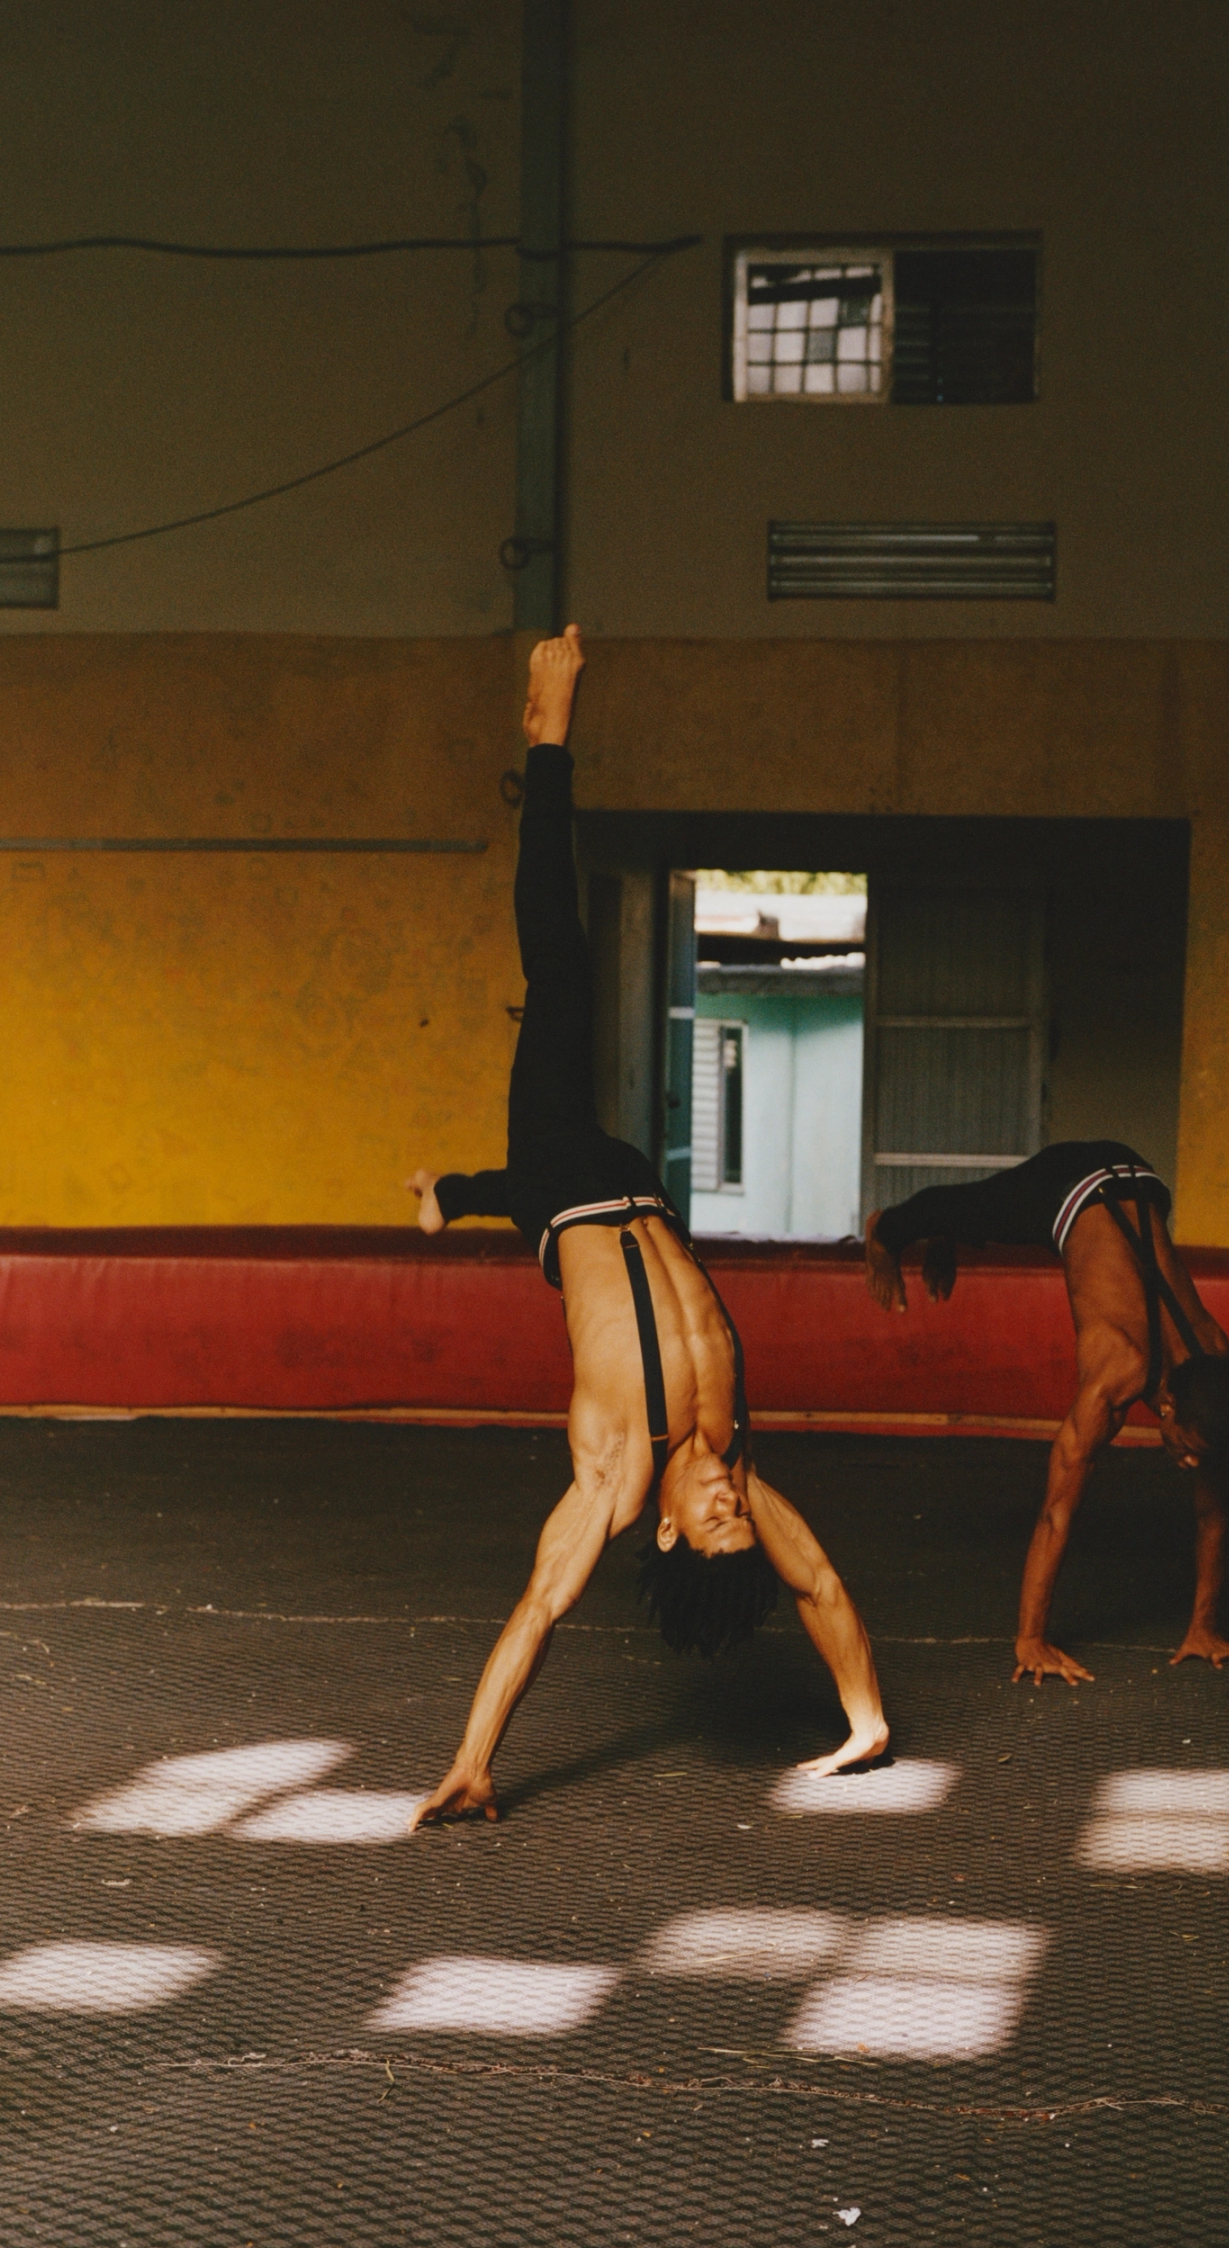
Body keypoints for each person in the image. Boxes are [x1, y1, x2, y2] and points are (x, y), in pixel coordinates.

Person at [406, 627, 888, 1825]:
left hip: (567, 1178)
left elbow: (538, 1608)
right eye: (739, 1520)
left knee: (560, 971)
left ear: (668, 1539)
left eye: (713, 1523)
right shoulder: (731, 1453)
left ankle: (549, 736)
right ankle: (448, 1193)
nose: (729, 1503)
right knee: (572, 1014)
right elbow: (821, 1584)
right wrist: (866, 1721)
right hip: (635, 1181)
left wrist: (474, 1758)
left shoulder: (614, 1484)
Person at [864, 1144, 1229, 1688]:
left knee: (968, 1220)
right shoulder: (1116, 1372)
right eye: (1186, 1446)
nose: (1191, 1461)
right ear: (1164, 1406)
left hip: (1140, 1181)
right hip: (1068, 1185)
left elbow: (1213, 1515)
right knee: (970, 1206)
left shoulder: (1214, 1367)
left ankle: (945, 1236)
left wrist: (1204, 1628)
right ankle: (887, 1231)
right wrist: (1030, 1639)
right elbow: (1056, 1513)